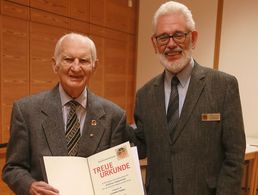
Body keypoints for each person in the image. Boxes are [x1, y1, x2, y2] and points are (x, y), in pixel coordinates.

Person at [128, 1, 246, 195]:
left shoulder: (223, 86)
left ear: (193, 38)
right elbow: (142, 146)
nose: (171, 44)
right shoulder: (145, 95)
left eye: (178, 35)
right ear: (154, 43)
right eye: (163, 37)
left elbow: (234, 157)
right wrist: (110, 117)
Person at [2, 33, 128, 195]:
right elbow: (12, 168)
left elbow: (119, 173)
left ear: (94, 66)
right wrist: (30, 186)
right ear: (55, 65)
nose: (76, 68)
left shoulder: (114, 116)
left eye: (83, 61)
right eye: (68, 59)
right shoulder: (26, 111)